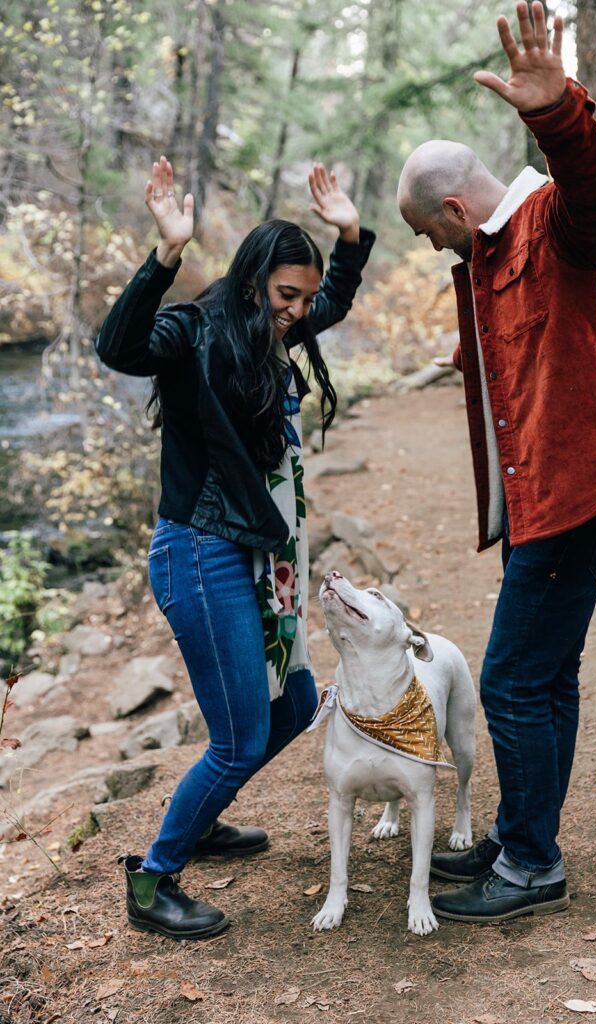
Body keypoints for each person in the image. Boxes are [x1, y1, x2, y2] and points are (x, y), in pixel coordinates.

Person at [397, 1, 596, 924]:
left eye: (431, 233)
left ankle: (534, 863)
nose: (433, 248)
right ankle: (520, 836)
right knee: (545, 677)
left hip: (585, 496)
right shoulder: (489, 259)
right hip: (539, 505)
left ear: (455, 209)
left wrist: (556, 114)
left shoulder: (552, 224)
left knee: (510, 678)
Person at [96, 156, 374, 939]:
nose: (298, 312)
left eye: (304, 298)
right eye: (286, 295)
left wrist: (348, 236)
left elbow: (334, 301)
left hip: (260, 555)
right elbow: (118, 347)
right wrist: (166, 254)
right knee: (239, 736)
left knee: (289, 708)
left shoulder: (268, 329)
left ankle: (202, 817)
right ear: (253, 280)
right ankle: (153, 882)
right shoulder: (194, 330)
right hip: (199, 550)